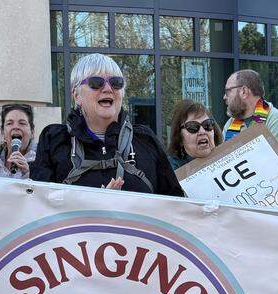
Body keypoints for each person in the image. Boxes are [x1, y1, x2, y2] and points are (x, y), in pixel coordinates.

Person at [31, 53, 184, 196]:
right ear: (76, 95)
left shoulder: (144, 139)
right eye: (96, 83)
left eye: (116, 83)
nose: (108, 89)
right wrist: (99, 206)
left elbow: (175, 203)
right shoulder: (54, 140)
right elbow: (40, 206)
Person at [221, 69, 278, 159]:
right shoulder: (229, 124)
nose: (224, 97)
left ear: (244, 91)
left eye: (228, 91)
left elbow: (274, 164)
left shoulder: (277, 120)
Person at [166, 99, 223, 170]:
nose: (202, 132)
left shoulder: (230, 159)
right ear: (179, 138)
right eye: (193, 127)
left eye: (207, 124)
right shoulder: (171, 172)